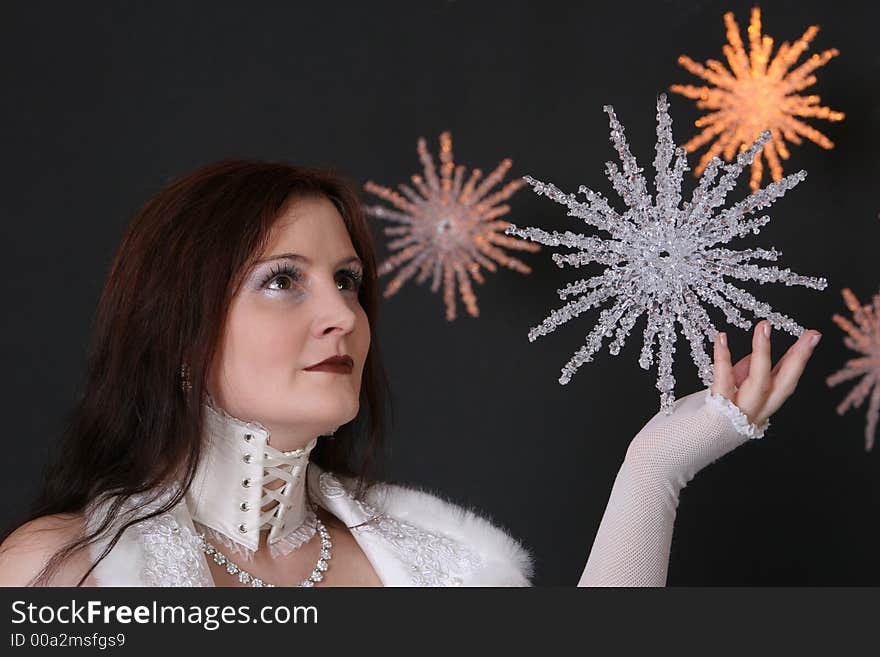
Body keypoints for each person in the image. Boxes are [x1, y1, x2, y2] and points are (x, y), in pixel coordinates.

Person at [0, 161, 822, 587]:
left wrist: (655, 470)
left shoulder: (439, 567)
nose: (343, 315)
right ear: (175, 332)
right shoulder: (65, 568)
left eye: (348, 282)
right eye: (283, 278)